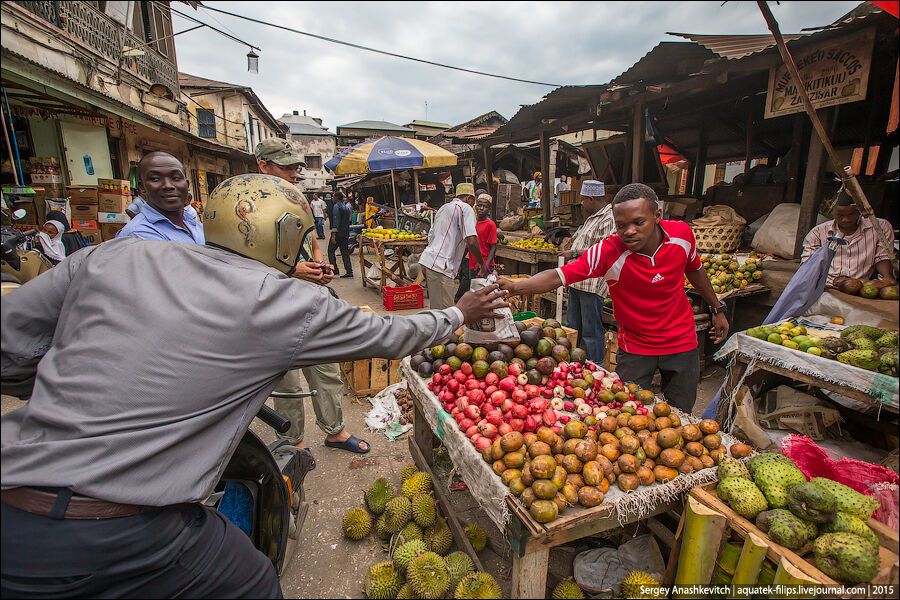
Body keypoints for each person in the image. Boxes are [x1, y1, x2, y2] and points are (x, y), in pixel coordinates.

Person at [0, 173, 509, 598]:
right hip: (128, 532)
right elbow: (388, 334)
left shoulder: (109, 256)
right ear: (285, 236)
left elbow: (9, 345)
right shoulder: (285, 301)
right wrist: (456, 313)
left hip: (12, 502)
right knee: (255, 581)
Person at [499, 183, 729, 413]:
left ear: (657, 215)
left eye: (638, 222)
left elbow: (695, 268)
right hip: (636, 348)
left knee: (681, 414)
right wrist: (516, 287)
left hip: (681, 342)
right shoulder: (609, 251)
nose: (629, 231)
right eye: (621, 225)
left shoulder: (681, 235)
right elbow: (559, 276)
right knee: (625, 414)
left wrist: (717, 307)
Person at [254, 141, 370, 454]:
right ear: (263, 166)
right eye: (286, 167)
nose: (294, 173)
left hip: (311, 302)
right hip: (274, 308)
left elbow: (312, 240)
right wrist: (293, 272)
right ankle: (294, 443)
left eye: (295, 167)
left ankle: (335, 431)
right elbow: (242, 266)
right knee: (288, 383)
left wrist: (320, 264)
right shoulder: (249, 207)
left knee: (326, 371)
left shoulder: (298, 200)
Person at [561, 180, 615, 365]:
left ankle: (597, 366)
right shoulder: (592, 217)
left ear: (592, 198)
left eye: (584, 200)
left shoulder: (608, 219)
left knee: (591, 330)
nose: (582, 204)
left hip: (591, 283)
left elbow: (603, 250)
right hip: (577, 280)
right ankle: (573, 363)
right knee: (572, 327)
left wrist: (574, 252)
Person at [801, 189, 896, 287]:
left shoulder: (879, 227)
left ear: (859, 211)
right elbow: (808, 264)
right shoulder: (818, 233)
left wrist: (887, 278)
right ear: (831, 212)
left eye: (851, 214)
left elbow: (882, 256)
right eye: (840, 215)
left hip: (860, 286)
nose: (846, 219)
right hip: (827, 286)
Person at [420, 183, 487, 310]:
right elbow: (471, 240)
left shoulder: (444, 208)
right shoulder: (465, 208)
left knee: (438, 310)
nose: (475, 205)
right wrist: (481, 263)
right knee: (446, 315)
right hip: (440, 265)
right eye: (474, 201)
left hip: (429, 260)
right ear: (469, 198)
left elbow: (432, 235)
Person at [116, 151, 204, 244]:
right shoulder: (140, 235)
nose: (168, 185)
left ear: (187, 185)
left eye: (176, 178)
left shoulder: (191, 222)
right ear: (142, 187)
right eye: (155, 179)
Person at [455, 193, 499, 301]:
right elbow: (468, 245)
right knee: (473, 293)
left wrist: (485, 266)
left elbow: (493, 247)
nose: (481, 208)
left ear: (488, 209)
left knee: (484, 295)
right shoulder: (472, 222)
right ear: (475, 206)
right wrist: (459, 262)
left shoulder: (490, 224)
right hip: (472, 264)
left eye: (484, 206)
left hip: (485, 264)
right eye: (479, 205)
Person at [329, 191, 354, 279]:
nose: (332, 198)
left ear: (336, 197)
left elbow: (336, 221)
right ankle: (349, 271)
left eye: (333, 197)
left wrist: (333, 234)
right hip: (345, 233)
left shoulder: (337, 206)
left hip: (338, 233)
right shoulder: (346, 207)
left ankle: (335, 269)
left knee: (330, 250)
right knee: (345, 252)